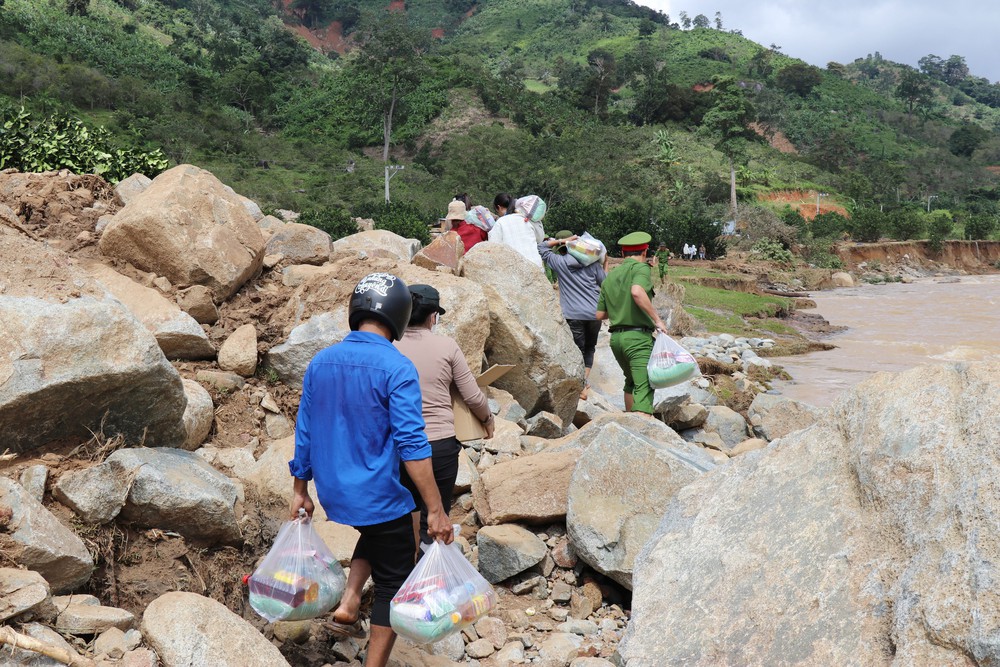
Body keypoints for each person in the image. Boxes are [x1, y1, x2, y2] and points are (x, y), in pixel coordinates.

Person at [288, 272, 453, 667]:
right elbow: (412, 444)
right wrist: (435, 509)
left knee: (380, 534)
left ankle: (349, 602)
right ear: (399, 315)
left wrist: (299, 490)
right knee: (396, 576)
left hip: (334, 493)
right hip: (376, 493)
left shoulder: (320, 361)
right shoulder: (397, 366)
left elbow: (304, 430)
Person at [394, 284, 494, 548]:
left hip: (398, 445)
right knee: (436, 516)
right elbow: (472, 396)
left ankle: (410, 564)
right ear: (433, 316)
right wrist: (487, 420)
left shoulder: (390, 346)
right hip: (439, 444)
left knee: (405, 514)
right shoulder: (446, 346)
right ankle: (430, 567)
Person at [595, 232, 668, 416]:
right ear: (645, 252)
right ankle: (641, 424)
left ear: (622, 254)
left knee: (631, 382)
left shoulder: (610, 276)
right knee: (644, 384)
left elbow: (600, 314)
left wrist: (619, 306)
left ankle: (629, 422)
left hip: (616, 340)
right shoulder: (641, 268)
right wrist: (657, 320)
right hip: (637, 339)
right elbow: (637, 292)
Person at [538, 231, 606, 400]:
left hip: (573, 315)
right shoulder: (593, 264)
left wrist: (561, 241)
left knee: (577, 350)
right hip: (594, 314)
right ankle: (584, 381)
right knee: (589, 348)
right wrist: (605, 264)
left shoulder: (560, 262)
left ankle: (581, 386)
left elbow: (541, 248)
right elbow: (605, 284)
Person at [488, 192, 543, 268]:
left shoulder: (500, 222)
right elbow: (540, 239)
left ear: (499, 207)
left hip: (516, 269)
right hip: (536, 266)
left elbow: (493, 247)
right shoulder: (526, 219)